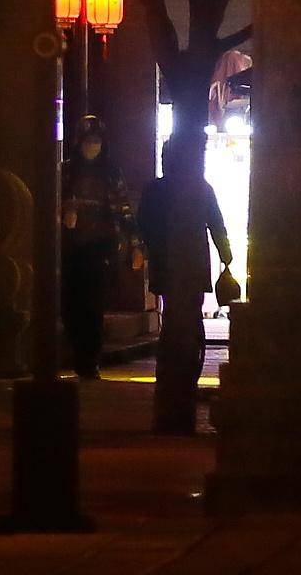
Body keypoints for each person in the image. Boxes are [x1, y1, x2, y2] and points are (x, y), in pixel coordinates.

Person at [141, 121, 237, 435]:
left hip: (167, 263)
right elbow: (217, 224)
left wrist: (147, 249)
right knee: (191, 319)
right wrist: (226, 257)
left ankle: (173, 378)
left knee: (175, 320)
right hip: (194, 263)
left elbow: (143, 224)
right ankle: (186, 373)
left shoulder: (157, 189)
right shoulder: (201, 187)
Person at [55, 118, 131, 380]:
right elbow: (52, 201)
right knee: (72, 304)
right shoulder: (66, 171)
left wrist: (131, 241)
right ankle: (78, 354)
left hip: (100, 246)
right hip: (71, 246)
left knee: (94, 304)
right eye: (88, 142)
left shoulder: (110, 172)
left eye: (97, 142)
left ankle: (90, 360)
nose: (92, 146)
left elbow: (122, 208)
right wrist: (64, 214)